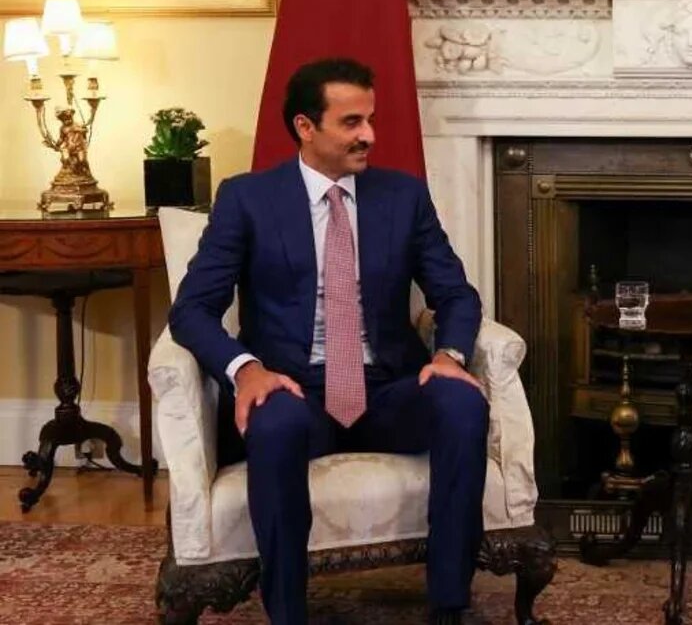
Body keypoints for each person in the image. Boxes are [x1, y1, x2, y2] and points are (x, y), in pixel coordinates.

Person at [169, 58, 489, 625]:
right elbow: (191, 310)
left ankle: (448, 602)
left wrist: (449, 355)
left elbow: (456, 294)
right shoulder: (247, 199)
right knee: (275, 420)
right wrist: (246, 370)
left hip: (390, 386)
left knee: (462, 401)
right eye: (351, 122)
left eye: (370, 119)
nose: (369, 135)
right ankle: (288, 612)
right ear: (305, 127)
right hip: (296, 385)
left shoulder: (403, 197)